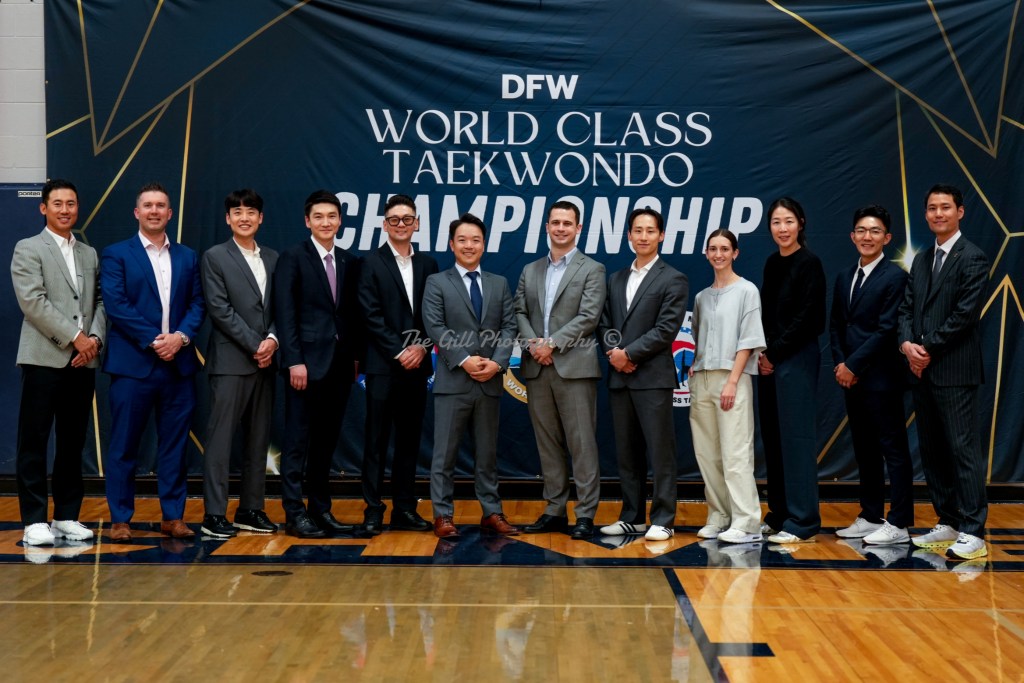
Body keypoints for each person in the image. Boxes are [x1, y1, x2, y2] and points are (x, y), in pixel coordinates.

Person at [101, 182, 206, 541]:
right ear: (137, 212)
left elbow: (198, 304)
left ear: (170, 213)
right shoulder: (117, 254)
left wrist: (180, 338)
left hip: (178, 365)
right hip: (133, 366)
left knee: (174, 446)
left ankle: (173, 517)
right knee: (124, 446)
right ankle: (120, 519)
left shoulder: (188, 256)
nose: (154, 211)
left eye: (161, 205)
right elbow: (116, 305)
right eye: (148, 205)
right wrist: (155, 340)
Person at [12, 179, 105, 546]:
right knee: (34, 440)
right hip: (43, 358)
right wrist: (74, 337)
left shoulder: (89, 253)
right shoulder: (28, 248)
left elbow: (100, 302)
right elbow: (33, 302)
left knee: (72, 442)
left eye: (71, 203)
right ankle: (34, 520)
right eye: (58, 203)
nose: (65, 210)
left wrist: (94, 341)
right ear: (44, 208)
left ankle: (66, 515)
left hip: (83, 361)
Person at [898, 184, 989, 560]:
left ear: (960, 212)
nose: (938, 214)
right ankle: (948, 520)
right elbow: (906, 309)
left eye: (946, 207)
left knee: (962, 450)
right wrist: (907, 345)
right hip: (921, 371)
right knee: (933, 451)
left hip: (954, 370)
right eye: (932, 208)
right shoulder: (921, 260)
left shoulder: (973, 257)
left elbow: (965, 316)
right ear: (926, 214)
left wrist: (926, 349)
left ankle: (973, 531)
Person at [421, 213, 519, 539]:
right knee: (444, 455)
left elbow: (509, 327)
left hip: (489, 381)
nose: (469, 245)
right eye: (462, 240)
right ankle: (443, 515)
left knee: (487, 455)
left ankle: (491, 513)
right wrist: (464, 360)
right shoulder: (437, 282)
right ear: (452, 244)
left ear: (484, 244)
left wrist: (497, 363)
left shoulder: (498, 283)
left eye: (475, 240)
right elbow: (435, 325)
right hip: (453, 382)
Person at [515, 200, 606, 540]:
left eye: (568, 223)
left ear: (578, 228)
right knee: (548, 443)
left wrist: (551, 344)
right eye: (556, 222)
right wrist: (534, 346)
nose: (561, 228)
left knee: (582, 444)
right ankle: (554, 510)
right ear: (547, 227)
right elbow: (518, 311)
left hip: (575, 368)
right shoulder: (530, 270)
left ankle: (585, 514)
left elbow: (589, 316)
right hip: (538, 368)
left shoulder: (592, 269)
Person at [274, 190, 362, 538]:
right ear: (307, 221)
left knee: (326, 443)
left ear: (340, 221)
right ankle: (294, 513)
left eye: (332, 216)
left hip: (339, 367)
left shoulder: (349, 261)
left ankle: (320, 509)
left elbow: (350, 316)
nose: (326, 222)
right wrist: (294, 360)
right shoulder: (293, 257)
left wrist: (354, 359)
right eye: (319, 216)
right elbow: (285, 313)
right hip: (305, 367)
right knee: (297, 441)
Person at [596, 208, 688, 542]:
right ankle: (632, 517)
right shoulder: (616, 278)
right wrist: (615, 355)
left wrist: (629, 355)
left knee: (660, 452)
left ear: (661, 235)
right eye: (638, 230)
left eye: (650, 231)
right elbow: (604, 323)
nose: (643, 236)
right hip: (620, 377)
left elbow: (666, 329)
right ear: (629, 236)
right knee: (627, 452)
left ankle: (663, 518)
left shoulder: (673, 278)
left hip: (652, 378)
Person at [829, 205, 913, 545]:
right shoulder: (844, 276)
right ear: (853, 236)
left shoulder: (895, 277)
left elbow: (886, 330)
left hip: (881, 379)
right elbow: (837, 325)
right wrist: (841, 365)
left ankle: (900, 522)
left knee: (893, 449)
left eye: (875, 231)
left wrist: (853, 365)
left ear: (887, 238)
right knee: (864, 449)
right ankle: (870, 515)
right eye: (862, 230)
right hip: (851, 379)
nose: (868, 236)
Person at [199, 189, 279, 538]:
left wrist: (272, 340)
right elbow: (219, 309)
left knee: (258, 440)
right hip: (231, 361)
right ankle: (214, 514)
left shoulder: (274, 258)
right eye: (237, 212)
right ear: (228, 218)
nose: (244, 217)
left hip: (266, 361)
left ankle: (250, 508)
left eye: (250, 212)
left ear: (260, 218)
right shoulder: (215, 256)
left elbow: (281, 307)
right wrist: (255, 344)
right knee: (220, 441)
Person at [358, 194, 438, 535]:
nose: (401, 224)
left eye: (407, 219)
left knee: (409, 440)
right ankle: (373, 509)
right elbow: (369, 314)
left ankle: (404, 508)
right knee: (376, 440)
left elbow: (434, 314)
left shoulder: (429, 264)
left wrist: (421, 347)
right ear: (385, 224)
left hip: (417, 367)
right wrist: (399, 350)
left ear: (416, 223)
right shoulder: (370, 263)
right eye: (394, 219)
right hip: (382, 366)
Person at [689, 229, 766, 544]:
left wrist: (733, 381)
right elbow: (697, 335)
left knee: (736, 453)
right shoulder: (702, 297)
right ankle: (719, 516)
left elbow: (748, 339)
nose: (718, 254)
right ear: (706, 253)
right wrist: (696, 367)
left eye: (724, 249)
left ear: (735, 253)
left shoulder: (747, 290)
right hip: (703, 378)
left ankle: (746, 522)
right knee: (708, 454)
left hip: (732, 378)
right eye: (713, 249)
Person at [757, 197, 826, 544]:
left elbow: (809, 319)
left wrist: (774, 352)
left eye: (788, 221)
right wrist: (763, 352)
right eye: (776, 222)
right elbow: (766, 315)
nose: (782, 229)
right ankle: (779, 513)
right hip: (769, 360)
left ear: (800, 223)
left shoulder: (809, 263)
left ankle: (803, 520)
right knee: (773, 439)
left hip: (796, 359)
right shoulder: (772, 263)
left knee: (796, 440)